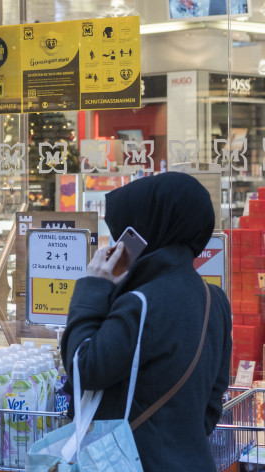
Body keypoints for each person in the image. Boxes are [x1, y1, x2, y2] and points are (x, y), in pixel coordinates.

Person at [60, 172, 231, 471]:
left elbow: (82, 367)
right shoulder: (214, 298)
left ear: (145, 231)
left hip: (134, 462)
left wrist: (93, 286)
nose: (117, 243)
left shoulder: (140, 302)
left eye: (124, 233)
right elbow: (212, 402)